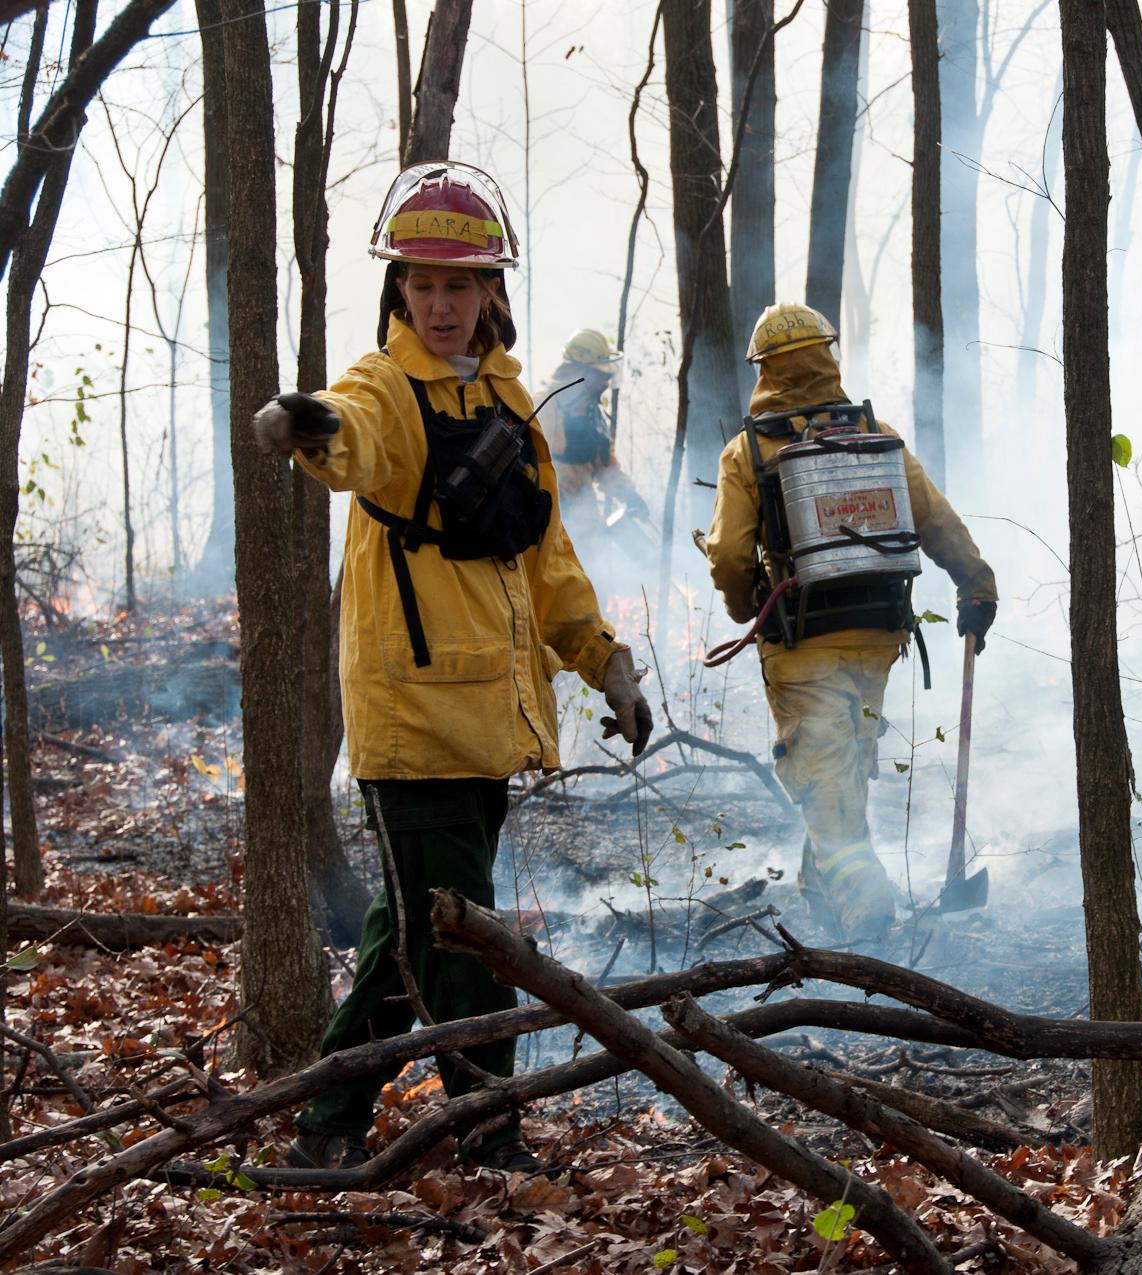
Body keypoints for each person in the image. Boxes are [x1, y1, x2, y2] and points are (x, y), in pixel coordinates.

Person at [250, 161, 653, 1172]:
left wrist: (603, 661)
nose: (440, 303)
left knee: (408, 941)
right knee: (462, 937)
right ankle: (489, 1131)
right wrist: (311, 428)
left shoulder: (512, 400)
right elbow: (352, 435)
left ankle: (324, 1129)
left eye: (459, 284)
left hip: (490, 718)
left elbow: (547, 559)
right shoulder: (383, 388)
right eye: (422, 285)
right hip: (414, 722)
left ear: (489, 294)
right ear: (399, 291)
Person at [703, 303, 996, 942]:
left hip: (802, 643)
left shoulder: (748, 453)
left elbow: (727, 554)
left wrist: (747, 609)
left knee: (825, 783)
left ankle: (868, 915)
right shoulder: (874, 434)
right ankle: (825, 917)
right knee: (836, 774)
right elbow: (935, 517)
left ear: (764, 369)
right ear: (827, 357)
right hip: (879, 633)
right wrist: (976, 583)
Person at [538, 328, 653, 545]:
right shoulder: (543, 408)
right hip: (549, 528)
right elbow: (526, 468)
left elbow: (606, 466)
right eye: (600, 376)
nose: (605, 383)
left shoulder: (593, 415)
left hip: (586, 525)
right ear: (577, 373)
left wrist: (628, 494)